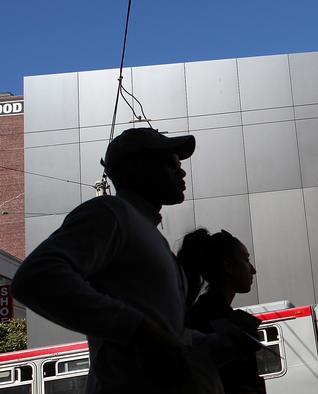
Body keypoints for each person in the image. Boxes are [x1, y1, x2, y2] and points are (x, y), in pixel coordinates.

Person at [11, 127, 199, 393]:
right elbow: (36, 277)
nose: (181, 172)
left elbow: (167, 333)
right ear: (138, 168)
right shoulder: (110, 213)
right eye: (171, 164)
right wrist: (137, 330)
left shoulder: (148, 234)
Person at [178, 228, 266, 394]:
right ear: (228, 266)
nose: (253, 269)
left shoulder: (202, 313)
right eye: (246, 260)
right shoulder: (217, 320)